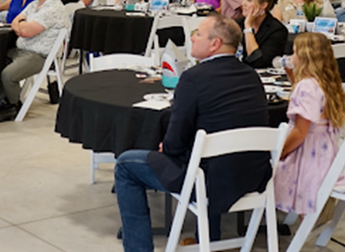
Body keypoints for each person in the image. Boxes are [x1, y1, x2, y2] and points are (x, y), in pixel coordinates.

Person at [114, 14, 270, 252]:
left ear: (215, 44)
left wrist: (167, 147)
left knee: (126, 164)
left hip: (208, 180)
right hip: (252, 173)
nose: (192, 37)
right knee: (208, 154)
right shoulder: (251, 75)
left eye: (198, 33)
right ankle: (211, 240)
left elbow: (175, 144)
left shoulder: (193, 78)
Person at [275, 32, 345, 216]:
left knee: (267, 165)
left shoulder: (307, 87)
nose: (291, 58)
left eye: (294, 53)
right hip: (326, 152)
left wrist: (280, 152)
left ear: (305, 57)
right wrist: (292, 76)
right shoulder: (327, 81)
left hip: (308, 155)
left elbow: (300, 132)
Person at [0, 0, 69, 120]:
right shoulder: (35, 4)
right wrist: (22, 26)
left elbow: (26, 31)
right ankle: (6, 100)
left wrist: (21, 27)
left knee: (8, 75)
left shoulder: (53, 8)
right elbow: (16, 20)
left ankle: (13, 105)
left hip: (40, 54)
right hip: (22, 49)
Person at [238, 0, 289, 69]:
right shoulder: (236, 24)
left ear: (263, 5)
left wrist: (248, 27)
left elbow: (258, 61)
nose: (243, 4)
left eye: (249, 0)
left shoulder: (277, 30)